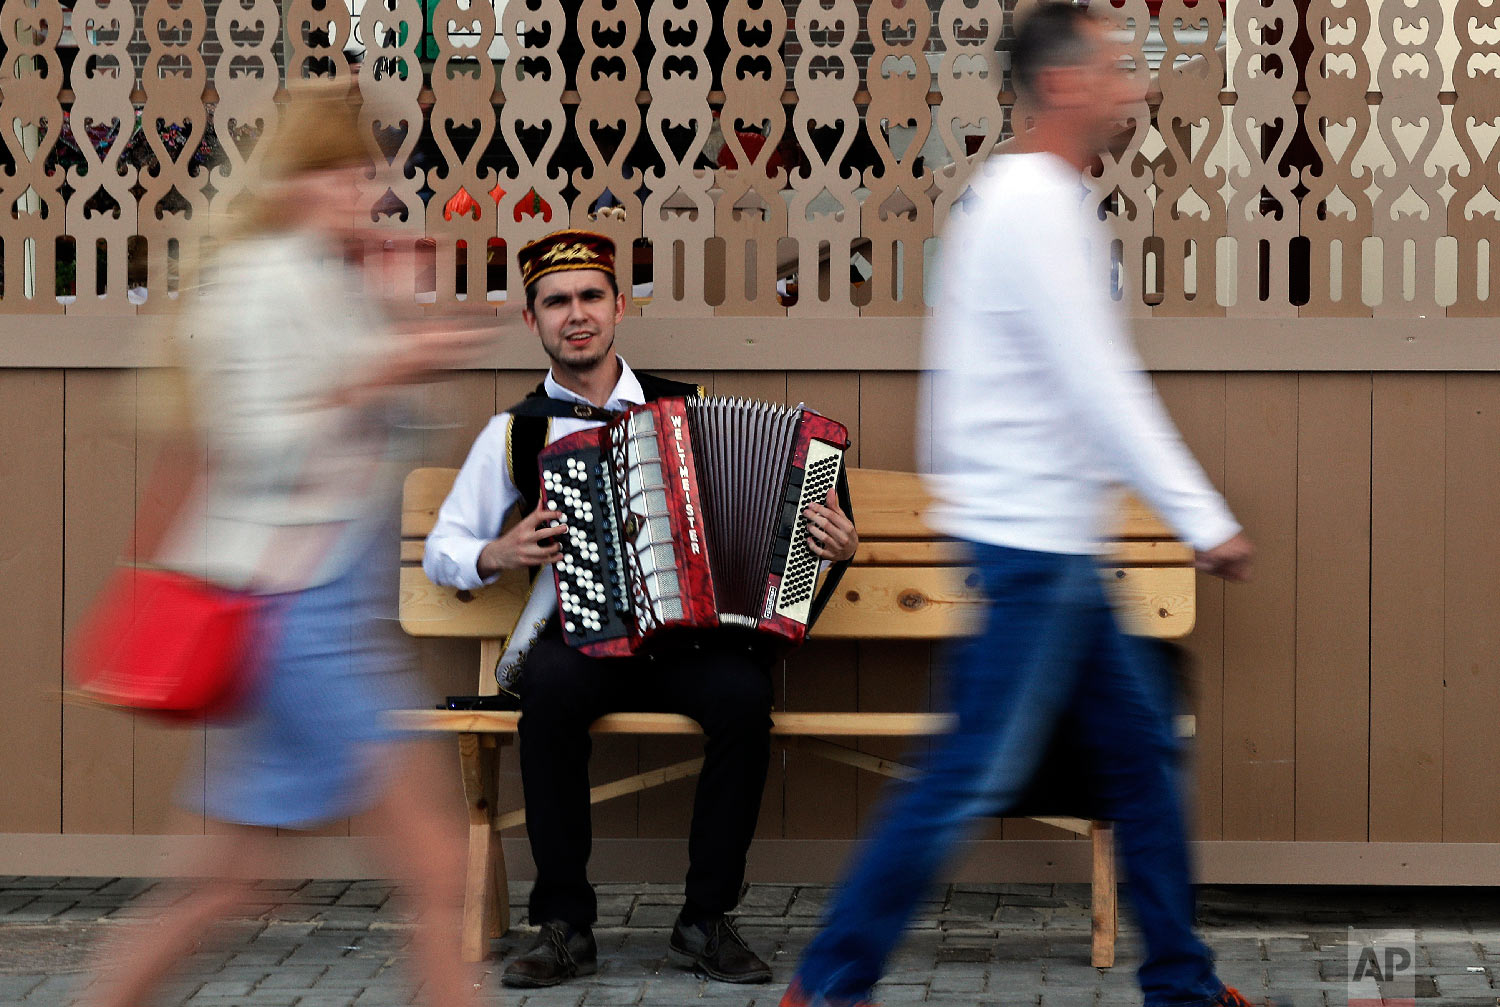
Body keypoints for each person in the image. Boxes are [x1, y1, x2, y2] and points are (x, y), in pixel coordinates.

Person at [780, 6, 1259, 1007]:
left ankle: (1183, 980)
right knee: (967, 779)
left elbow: (998, 390)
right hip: (1033, 554)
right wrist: (1201, 514)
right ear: (1064, 84)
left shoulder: (1025, 201)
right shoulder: (1035, 206)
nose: (1134, 86)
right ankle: (827, 980)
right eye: (1118, 69)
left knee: (1143, 764)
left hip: (1050, 552)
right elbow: (1101, 382)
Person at [82, 82, 491, 1007]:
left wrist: (396, 324)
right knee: (435, 867)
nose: (371, 193)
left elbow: (404, 431)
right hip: (297, 613)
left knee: (228, 883)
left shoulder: (324, 279)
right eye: (353, 175)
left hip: (317, 608)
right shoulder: (261, 285)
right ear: (303, 179)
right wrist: (380, 364)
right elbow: (260, 442)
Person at [423, 228, 859, 988]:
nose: (576, 313)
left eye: (591, 295)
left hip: (692, 641)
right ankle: (564, 926)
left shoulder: (685, 408)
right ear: (534, 321)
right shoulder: (518, 433)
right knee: (548, 698)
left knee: (745, 698)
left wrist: (835, 544)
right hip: (584, 637)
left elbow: (793, 521)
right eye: (557, 302)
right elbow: (444, 547)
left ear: (620, 306)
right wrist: (498, 553)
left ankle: (704, 919)